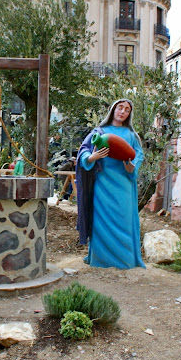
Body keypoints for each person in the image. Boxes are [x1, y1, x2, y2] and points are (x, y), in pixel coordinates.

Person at [76, 99, 145, 269]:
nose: (122, 112)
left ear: (129, 114)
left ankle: (126, 260)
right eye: (120, 108)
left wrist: (132, 167)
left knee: (125, 220)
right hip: (103, 183)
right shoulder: (99, 131)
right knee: (101, 221)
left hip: (124, 183)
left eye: (127, 110)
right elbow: (83, 150)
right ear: (113, 110)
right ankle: (101, 260)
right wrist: (92, 158)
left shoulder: (131, 135)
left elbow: (139, 153)